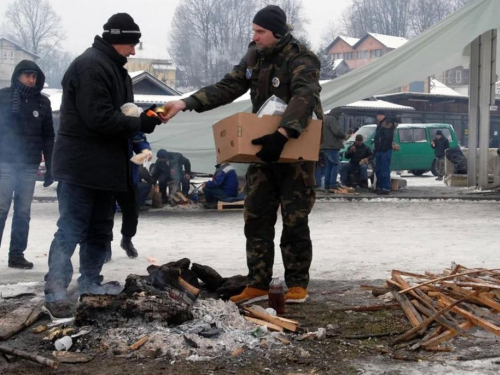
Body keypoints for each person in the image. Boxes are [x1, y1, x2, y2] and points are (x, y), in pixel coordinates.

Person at [160, 5, 322, 304]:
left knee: (295, 218)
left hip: (294, 148)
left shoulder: (301, 57)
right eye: (254, 31)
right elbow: (229, 86)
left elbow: (305, 95)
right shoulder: (254, 57)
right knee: (256, 215)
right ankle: (258, 283)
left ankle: (297, 284)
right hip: (263, 147)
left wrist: (283, 133)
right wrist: (187, 102)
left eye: (260, 31)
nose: (255, 36)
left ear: (277, 32)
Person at [43, 13, 162, 319]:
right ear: (117, 39)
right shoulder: (92, 66)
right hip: (81, 167)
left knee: (99, 231)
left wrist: (144, 120)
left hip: (105, 168)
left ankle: (89, 284)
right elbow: (99, 118)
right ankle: (55, 290)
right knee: (71, 229)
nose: (134, 51)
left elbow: (124, 113)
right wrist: (140, 122)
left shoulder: (115, 70)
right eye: (132, 44)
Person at [0, 60, 55, 269]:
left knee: (23, 212)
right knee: (1, 208)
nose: (31, 80)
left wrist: (50, 165)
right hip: (5, 161)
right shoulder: (3, 97)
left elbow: (48, 136)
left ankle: (16, 255)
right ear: (18, 76)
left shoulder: (43, 102)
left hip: (29, 164)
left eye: (34, 77)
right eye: (27, 76)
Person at [106, 132, 152, 262]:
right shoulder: (103, 117)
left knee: (132, 213)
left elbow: (139, 140)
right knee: (106, 214)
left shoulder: (130, 118)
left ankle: (127, 239)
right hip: (106, 176)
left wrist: (145, 150)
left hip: (128, 176)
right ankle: (105, 245)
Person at [320, 109, 346, 190]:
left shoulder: (326, 118)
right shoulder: (332, 119)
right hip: (332, 146)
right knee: (336, 164)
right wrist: (344, 136)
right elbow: (337, 131)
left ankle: (327, 185)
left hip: (325, 145)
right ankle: (333, 184)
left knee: (329, 166)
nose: (340, 117)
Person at [374, 111, 397, 195]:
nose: (378, 117)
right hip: (380, 150)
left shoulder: (387, 123)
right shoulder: (381, 124)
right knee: (379, 170)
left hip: (384, 150)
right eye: (377, 115)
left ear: (383, 116)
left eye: (379, 115)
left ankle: (385, 187)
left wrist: (383, 147)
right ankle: (380, 187)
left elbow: (388, 137)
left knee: (384, 169)